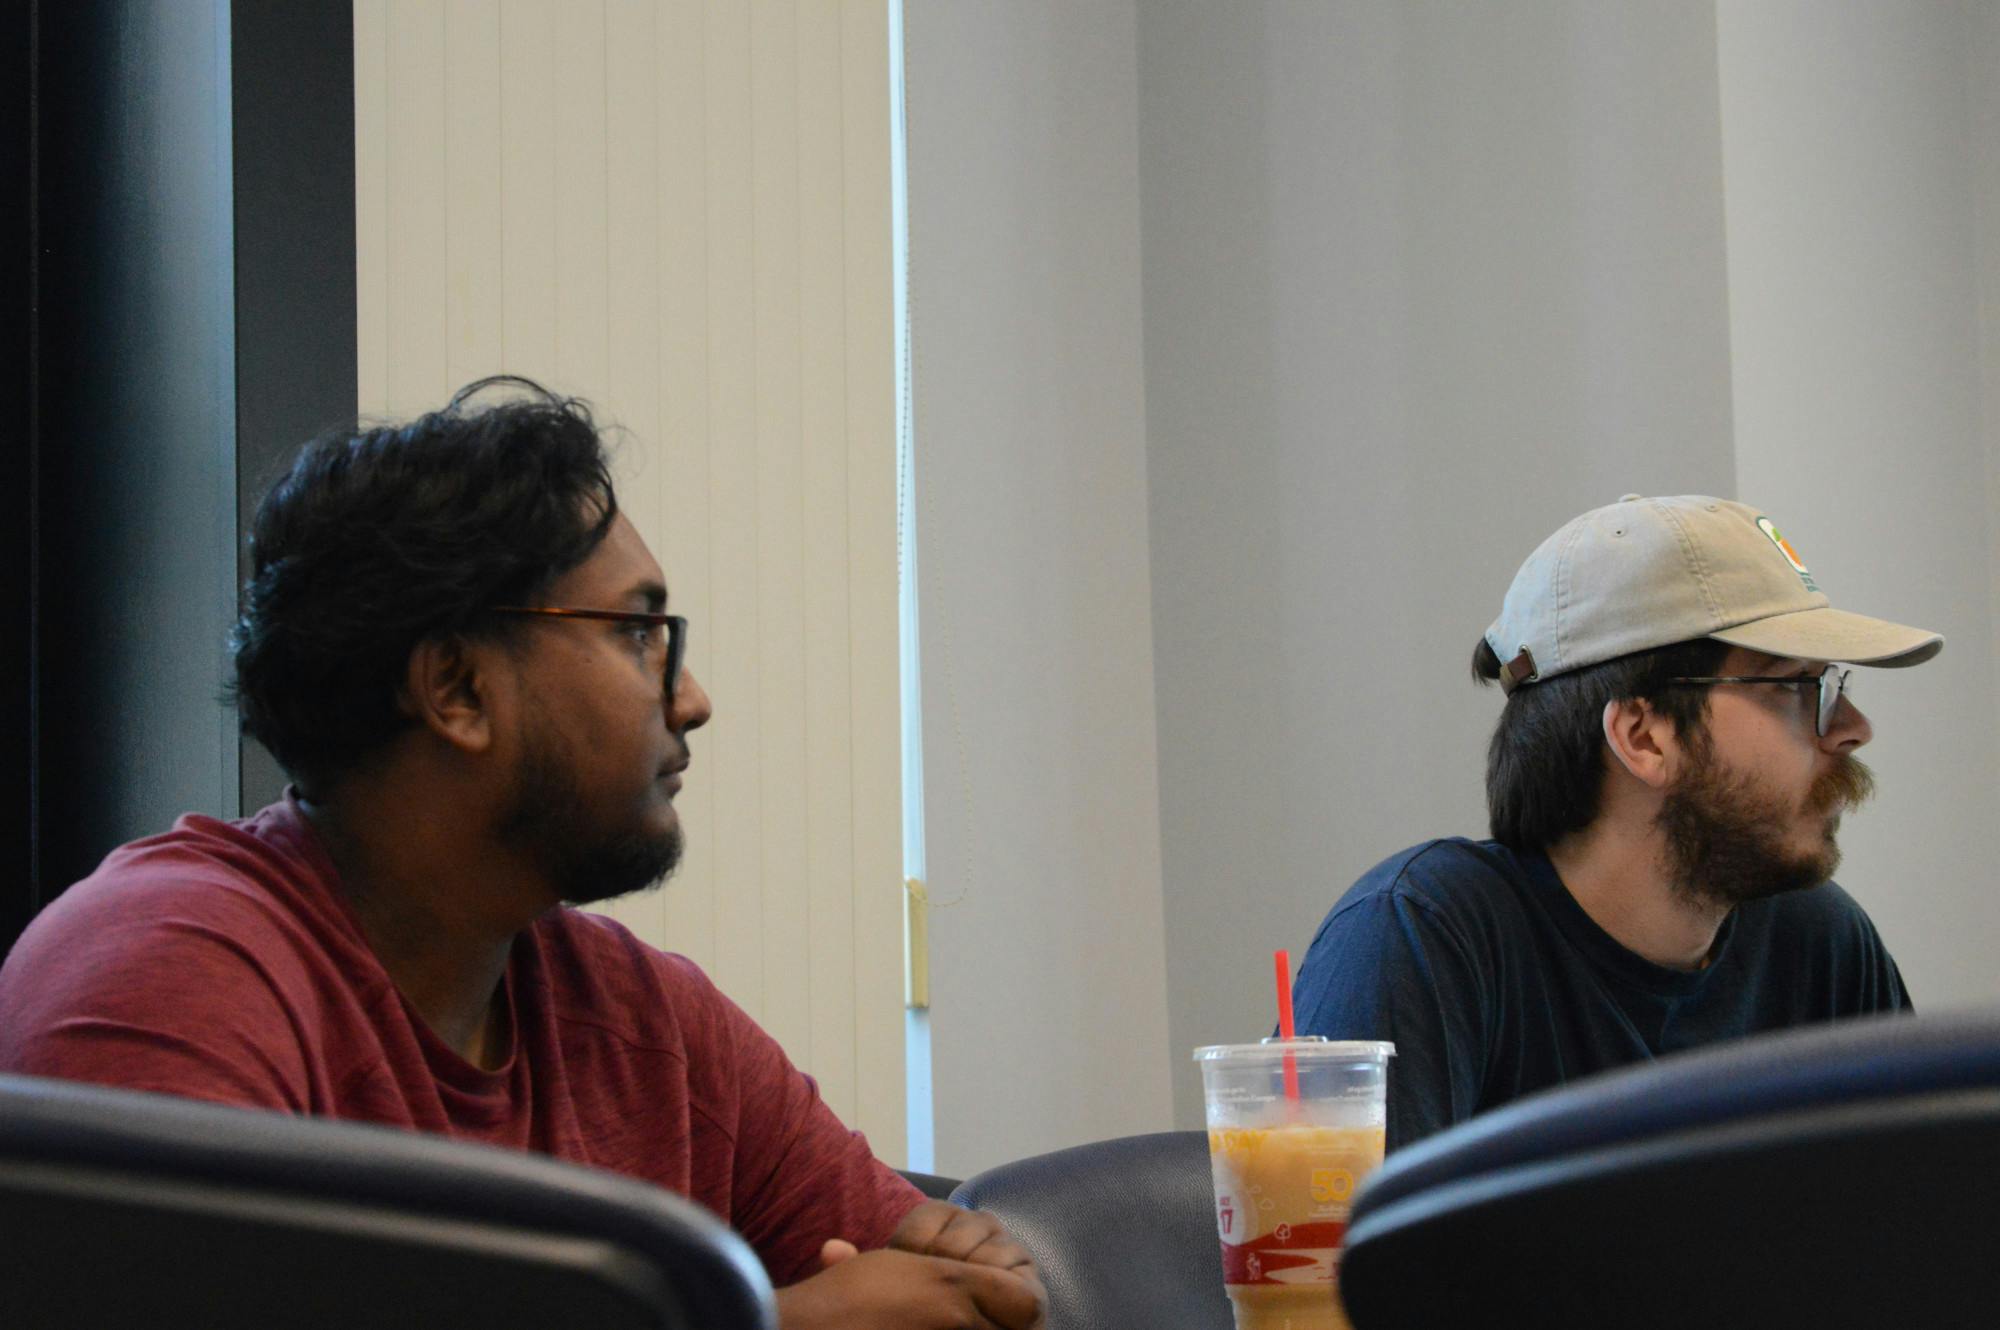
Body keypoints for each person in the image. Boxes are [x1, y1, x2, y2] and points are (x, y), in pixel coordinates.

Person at [0, 379, 1044, 1330]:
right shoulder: (167, 973)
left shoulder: (644, 1019)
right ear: (455, 689)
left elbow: (950, 1279)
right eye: (639, 635)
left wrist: (964, 1270)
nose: (691, 697)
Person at [1291, 493, 1942, 1151]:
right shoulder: (1421, 940)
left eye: (1834, 687)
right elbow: (1339, 1252)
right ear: (1644, 735)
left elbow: (1929, 1235)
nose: (1852, 731)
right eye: (1794, 688)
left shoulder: (1819, 946)